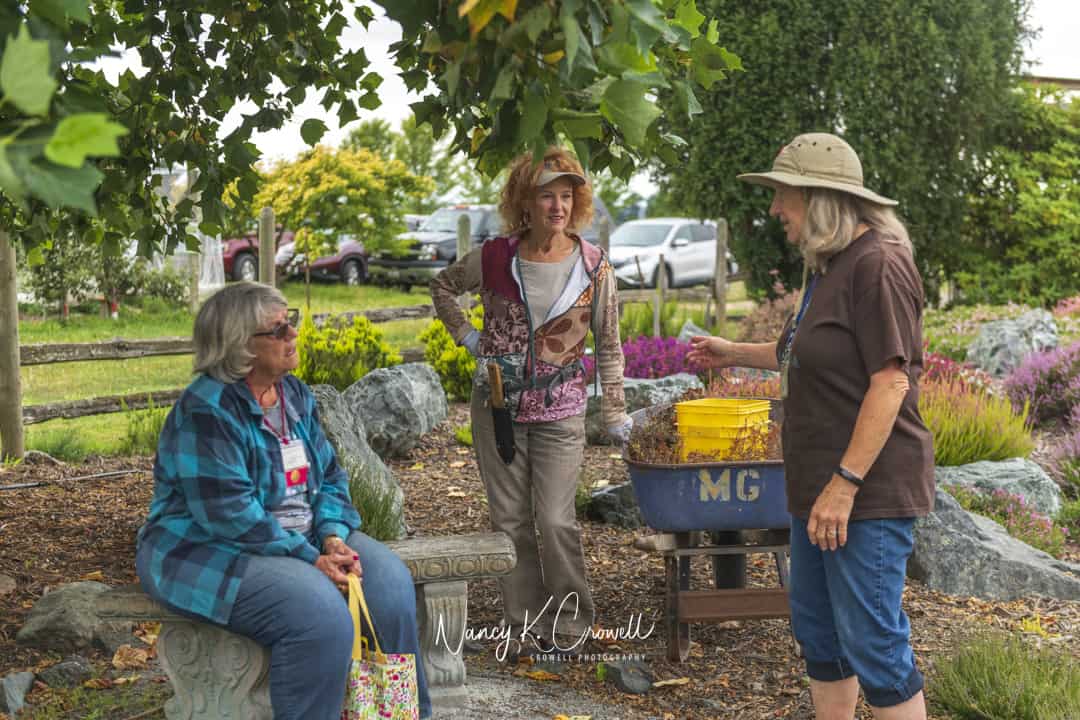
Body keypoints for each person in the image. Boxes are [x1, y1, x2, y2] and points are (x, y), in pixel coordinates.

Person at [688, 133, 933, 720]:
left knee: (875, 645)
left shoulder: (878, 264)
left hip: (865, 494)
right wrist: (733, 353)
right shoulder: (830, 266)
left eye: (784, 196)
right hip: (818, 489)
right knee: (821, 639)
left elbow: (890, 383)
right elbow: (802, 352)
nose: (775, 210)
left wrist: (844, 485)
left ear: (820, 198)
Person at [135, 281, 430, 720]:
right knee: (321, 615)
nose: (292, 333)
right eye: (278, 330)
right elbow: (230, 516)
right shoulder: (207, 409)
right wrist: (310, 557)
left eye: (290, 321)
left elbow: (330, 476)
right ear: (239, 346)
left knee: (389, 586)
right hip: (206, 550)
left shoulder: (294, 395)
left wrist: (331, 537)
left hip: (302, 537)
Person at [430, 147, 630, 652]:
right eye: (547, 197)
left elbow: (608, 343)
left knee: (557, 520)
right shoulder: (496, 257)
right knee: (510, 520)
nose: (557, 207)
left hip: (561, 411)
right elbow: (444, 287)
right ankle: (523, 624)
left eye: (566, 196)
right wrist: (468, 336)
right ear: (526, 201)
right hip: (497, 408)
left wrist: (615, 411)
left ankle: (571, 624)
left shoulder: (592, 265)